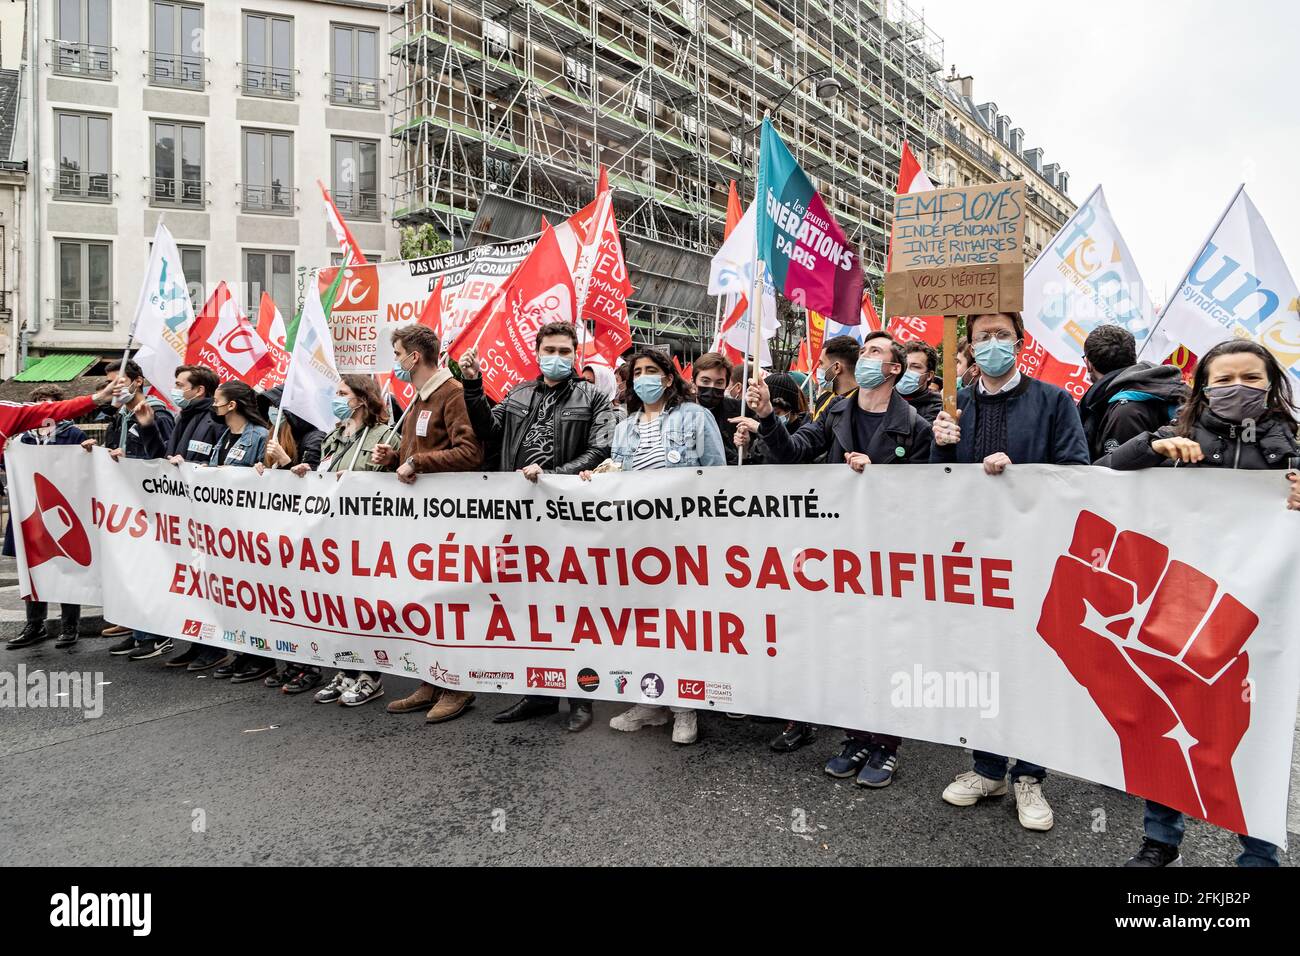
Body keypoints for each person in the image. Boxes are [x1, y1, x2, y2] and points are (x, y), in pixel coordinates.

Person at [1097, 339, 1298, 867]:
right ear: (1203, 386)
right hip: (1182, 608)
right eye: (1224, 378)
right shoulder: (1175, 435)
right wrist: (1150, 450)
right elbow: (1095, 479)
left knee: (1256, 731)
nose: (1238, 388)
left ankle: (1258, 851)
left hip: (1261, 618)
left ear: (1272, 383)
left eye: (1251, 378)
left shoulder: (1295, 445)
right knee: (1167, 724)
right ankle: (1160, 839)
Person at [741, 332, 932, 774]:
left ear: (894, 370)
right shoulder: (835, 412)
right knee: (846, 645)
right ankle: (855, 737)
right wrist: (768, 416)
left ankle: (885, 744)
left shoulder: (915, 427)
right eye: (864, 350)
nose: (865, 357)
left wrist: (879, 476)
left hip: (885, 557)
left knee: (884, 649)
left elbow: (926, 499)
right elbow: (792, 454)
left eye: (876, 353)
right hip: (836, 555)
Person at [931, 311, 1089, 832]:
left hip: (1033, 557)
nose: (992, 344)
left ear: (1019, 343)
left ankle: (1030, 775)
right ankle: (987, 767)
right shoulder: (955, 405)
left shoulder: (1052, 401)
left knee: (1030, 664)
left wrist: (1021, 476)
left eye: (1002, 335)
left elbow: (1075, 473)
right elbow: (934, 486)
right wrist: (940, 444)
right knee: (979, 663)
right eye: (982, 337)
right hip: (972, 559)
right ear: (970, 347)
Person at [460, 321, 614, 732]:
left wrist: (553, 478)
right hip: (522, 515)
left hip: (567, 515)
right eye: (551, 349)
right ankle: (539, 692)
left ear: (575, 354)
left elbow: (601, 447)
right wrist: (473, 385)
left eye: (566, 351)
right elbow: (488, 432)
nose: (558, 357)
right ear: (537, 351)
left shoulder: (593, 398)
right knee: (528, 606)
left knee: (575, 607)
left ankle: (582, 697)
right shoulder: (517, 393)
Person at [583, 347, 725, 745]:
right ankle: (649, 702)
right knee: (642, 622)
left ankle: (684, 708)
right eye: (637, 372)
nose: (644, 377)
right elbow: (618, 475)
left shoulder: (696, 417)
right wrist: (599, 478)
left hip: (681, 539)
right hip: (636, 540)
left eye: (652, 370)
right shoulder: (624, 426)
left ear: (667, 378)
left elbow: (716, 475)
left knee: (679, 623)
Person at [374, 323, 483, 723]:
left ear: (414, 357)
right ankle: (431, 679)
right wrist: (394, 458)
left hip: (446, 522)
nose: (397, 362)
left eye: (399, 354)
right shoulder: (419, 398)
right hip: (418, 522)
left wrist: (417, 461)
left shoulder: (451, 393)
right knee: (423, 603)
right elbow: (418, 451)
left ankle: (458, 685)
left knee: (448, 602)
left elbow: (470, 452)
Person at [304, 375, 397, 707]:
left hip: (369, 537)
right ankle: (346, 670)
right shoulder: (335, 436)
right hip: (335, 536)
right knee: (339, 607)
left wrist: (358, 481)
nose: (337, 398)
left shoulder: (385, 436)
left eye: (343, 393)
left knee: (365, 607)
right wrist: (303, 470)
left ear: (362, 398)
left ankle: (371, 676)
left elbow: (396, 487)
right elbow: (324, 476)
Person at [87, 361, 177, 661]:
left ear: (137, 382)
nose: (114, 388)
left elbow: (163, 456)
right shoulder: (122, 415)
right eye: (110, 383)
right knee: (132, 570)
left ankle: (156, 634)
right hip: (128, 503)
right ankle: (139, 630)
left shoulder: (158, 413)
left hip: (150, 505)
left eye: (119, 382)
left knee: (150, 570)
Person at [153, 364, 228, 670]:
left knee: (209, 582)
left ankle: (214, 647)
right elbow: (166, 460)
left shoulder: (213, 419)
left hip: (207, 514)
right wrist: (147, 427)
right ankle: (196, 643)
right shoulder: (182, 417)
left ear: (199, 390)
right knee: (192, 582)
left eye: (180, 384)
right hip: (184, 512)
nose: (175, 389)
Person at [3, 386, 89, 650]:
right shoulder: (22, 438)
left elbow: (84, 469)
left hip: (64, 510)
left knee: (68, 567)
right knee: (33, 569)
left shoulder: (73, 434)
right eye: (40, 402)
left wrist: (88, 451)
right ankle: (35, 624)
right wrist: (5, 451)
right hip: (32, 510)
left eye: (50, 402)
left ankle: (69, 625)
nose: (45, 405)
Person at [204, 382, 275, 684]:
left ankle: (261, 656)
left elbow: (268, 482)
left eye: (218, 400)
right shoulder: (223, 437)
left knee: (253, 594)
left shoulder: (259, 437)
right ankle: (241, 650)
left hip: (249, 532)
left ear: (232, 405)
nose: (214, 405)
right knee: (233, 596)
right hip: (224, 533)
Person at [1077, 324, 1188, 461]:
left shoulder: (1126, 411)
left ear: (1088, 364)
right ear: (1133, 357)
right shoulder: (1160, 383)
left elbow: (1119, 471)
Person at [692, 351, 755, 465]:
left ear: (726, 385)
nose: (712, 386)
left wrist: (745, 451)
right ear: (693, 383)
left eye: (719, 382)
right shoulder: (680, 413)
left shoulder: (741, 412)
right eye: (705, 381)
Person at [810, 335, 860, 422]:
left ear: (836, 367)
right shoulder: (824, 397)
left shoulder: (861, 405)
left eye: (821, 363)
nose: (819, 369)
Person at [898, 341, 943, 424]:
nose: (906, 371)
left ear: (929, 375)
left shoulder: (936, 407)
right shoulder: (884, 397)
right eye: (904, 365)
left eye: (915, 367)